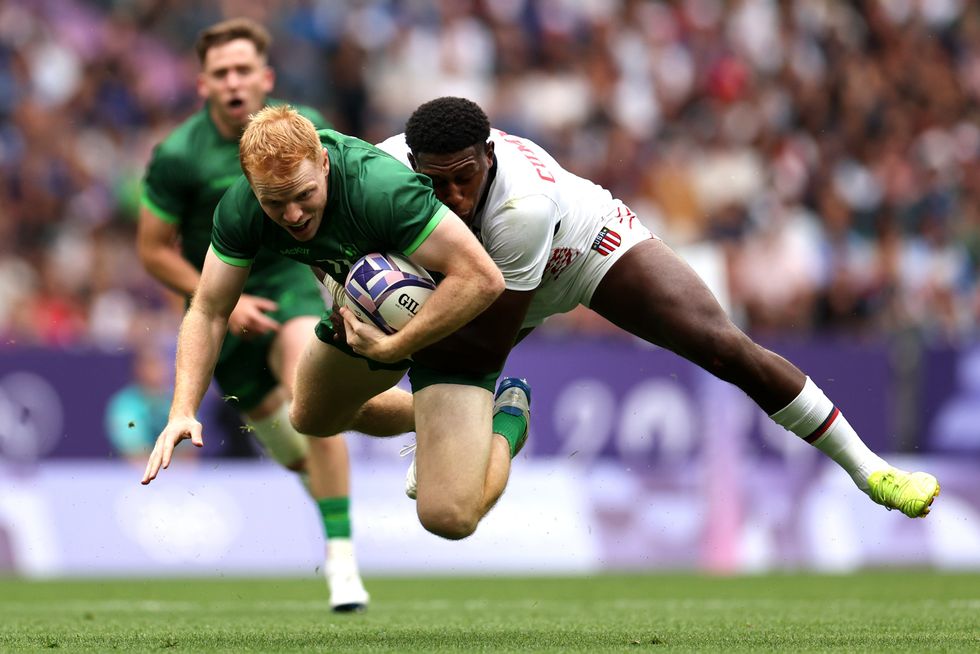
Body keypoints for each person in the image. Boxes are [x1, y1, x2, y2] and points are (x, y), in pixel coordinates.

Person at [376, 96, 941, 519]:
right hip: (480, 277)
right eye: (435, 182)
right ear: (411, 165)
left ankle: (873, 471)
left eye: (464, 177)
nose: (452, 196)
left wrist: (436, 392)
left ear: (489, 155)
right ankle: (476, 420)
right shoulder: (384, 170)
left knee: (723, 347)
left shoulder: (522, 204)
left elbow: (487, 341)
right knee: (352, 387)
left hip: (583, 250)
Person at [141, 104, 532, 546]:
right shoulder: (240, 209)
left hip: (450, 318)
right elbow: (209, 309)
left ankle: (504, 429)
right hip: (363, 311)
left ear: (324, 163)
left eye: (303, 195)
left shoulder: (379, 189)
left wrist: (396, 344)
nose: (292, 215)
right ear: (252, 186)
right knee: (309, 417)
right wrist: (182, 410)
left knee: (449, 520)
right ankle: (467, 420)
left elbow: (483, 279)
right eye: (274, 201)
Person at [136, 18, 386, 611]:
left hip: (287, 291)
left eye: (243, 70)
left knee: (311, 401)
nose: (233, 82)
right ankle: (334, 513)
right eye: (220, 73)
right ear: (202, 85)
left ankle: (342, 563)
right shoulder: (176, 157)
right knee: (291, 449)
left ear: (265, 77)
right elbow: (150, 249)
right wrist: (222, 297)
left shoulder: (299, 137)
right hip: (218, 309)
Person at [105, 345, 178, 466]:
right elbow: (134, 454)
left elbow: (188, 454)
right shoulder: (124, 405)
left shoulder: (177, 402)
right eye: (152, 364)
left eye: (162, 363)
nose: (160, 369)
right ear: (139, 369)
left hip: (176, 477)